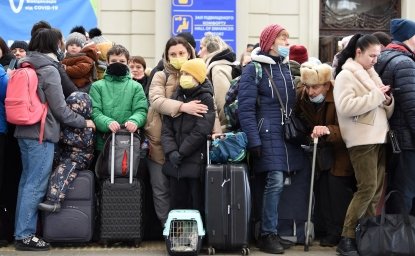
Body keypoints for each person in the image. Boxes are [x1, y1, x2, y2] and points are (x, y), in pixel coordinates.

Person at [13, 28, 96, 251]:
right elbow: (60, 109)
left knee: (26, 183)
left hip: (23, 131)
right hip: (41, 133)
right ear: (54, 45)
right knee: (36, 184)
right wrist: (83, 121)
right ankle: (25, 235)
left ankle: (21, 232)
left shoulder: (24, 64)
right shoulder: (48, 69)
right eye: (60, 43)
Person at [238, 24, 305, 254]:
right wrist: (253, 139)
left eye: (288, 38)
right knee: (275, 180)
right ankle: (267, 234)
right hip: (266, 133)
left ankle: (271, 230)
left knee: (279, 182)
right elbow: (245, 109)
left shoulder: (286, 69)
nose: (287, 43)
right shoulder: (254, 69)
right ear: (269, 42)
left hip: (285, 135)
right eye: (282, 38)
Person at [144, 36, 218, 226]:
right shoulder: (160, 75)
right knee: (162, 187)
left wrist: (216, 130)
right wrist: (182, 107)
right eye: (173, 54)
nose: (177, 57)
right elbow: (156, 101)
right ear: (167, 57)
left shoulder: (200, 75)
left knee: (190, 190)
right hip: (162, 140)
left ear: (189, 53)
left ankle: (191, 231)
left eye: (181, 53)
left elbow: (211, 109)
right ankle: (167, 227)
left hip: (191, 147)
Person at [333, 34, 394, 256]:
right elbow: (346, 107)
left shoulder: (370, 73)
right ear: (358, 52)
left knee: (374, 191)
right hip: (361, 139)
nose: (375, 60)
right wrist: (377, 97)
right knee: (367, 188)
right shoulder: (346, 76)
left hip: (378, 137)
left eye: (378, 56)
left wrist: (387, 100)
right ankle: (347, 237)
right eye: (372, 55)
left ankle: (364, 236)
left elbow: (378, 103)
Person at [296, 62, 355, 247]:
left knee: (336, 192)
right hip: (321, 152)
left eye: (315, 87)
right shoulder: (303, 97)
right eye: (307, 86)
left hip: (341, 153)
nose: (310, 92)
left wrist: (328, 130)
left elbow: (350, 128)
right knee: (322, 192)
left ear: (327, 85)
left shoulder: (339, 98)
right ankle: (325, 229)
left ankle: (337, 232)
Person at [161, 58, 215, 212]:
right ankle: (176, 234)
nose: (183, 76)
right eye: (182, 73)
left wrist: (182, 152)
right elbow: (166, 129)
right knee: (176, 202)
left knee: (195, 201)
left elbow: (202, 130)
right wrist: (171, 151)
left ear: (198, 77)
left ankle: (196, 235)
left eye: (188, 73)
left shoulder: (205, 98)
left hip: (194, 159)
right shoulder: (176, 96)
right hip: (174, 161)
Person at [374, 18, 415, 215]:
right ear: (410, 37)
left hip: (389, 136)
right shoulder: (405, 62)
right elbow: (412, 106)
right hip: (407, 139)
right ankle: (401, 240)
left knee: (395, 190)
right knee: (405, 192)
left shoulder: (382, 58)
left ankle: (393, 237)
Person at [38, 92, 95, 212]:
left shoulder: (88, 124)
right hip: (66, 155)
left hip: (80, 158)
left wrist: (62, 135)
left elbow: (83, 143)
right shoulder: (67, 122)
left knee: (64, 170)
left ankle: (54, 201)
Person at [89, 44, 148, 155]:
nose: (118, 64)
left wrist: (134, 121)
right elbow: (95, 112)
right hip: (103, 143)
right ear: (107, 61)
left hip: (128, 143)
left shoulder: (136, 87)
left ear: (127, 62)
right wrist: (107, 122)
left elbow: (141, 111)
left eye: (122, 61)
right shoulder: (97, 86)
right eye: (114, 60)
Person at [199, 32, 236, 131]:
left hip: (224, 129)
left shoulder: (217, 69)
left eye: (201, 48)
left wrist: (223, 129)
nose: (199, 53)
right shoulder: (224, 65)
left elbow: (222, 102)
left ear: (210, 49)